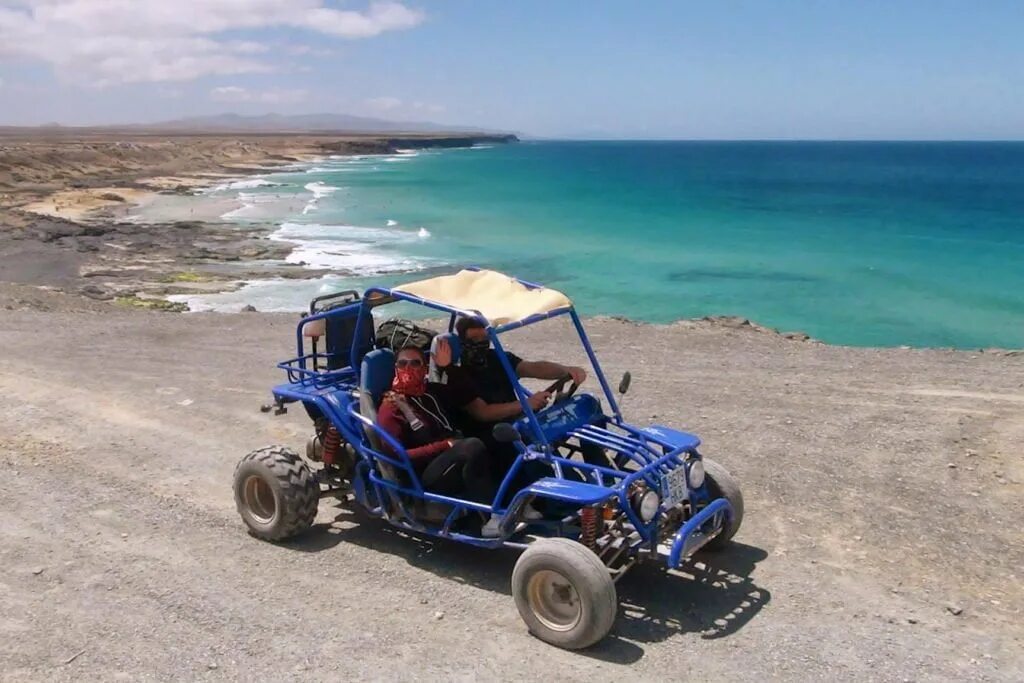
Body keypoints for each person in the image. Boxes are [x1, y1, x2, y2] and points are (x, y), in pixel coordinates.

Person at [375, 345, 535, 536]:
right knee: (471, 446)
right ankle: (490, 519)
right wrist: (444, 445)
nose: (408, 368)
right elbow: (397, 457)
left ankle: (517, 502)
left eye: (415, 363)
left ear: (425, 368)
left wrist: (448, 366)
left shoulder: (431, 392)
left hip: (450, 456)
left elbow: (465, 393)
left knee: (501, 436)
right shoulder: (391, 408)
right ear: (396, 368)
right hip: (423, 474)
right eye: (402, 363)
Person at [442, 317, 612, 468]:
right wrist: (526, 404)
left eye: (484, 339)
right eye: (474, 340)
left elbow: (532, 368)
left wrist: (565, 370)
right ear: (461, 342)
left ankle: (602, 468)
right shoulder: (458, 374)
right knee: (532, 442)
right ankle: (566, 495)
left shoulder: (496, 358)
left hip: (521, 425)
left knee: (588, 404)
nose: (480, 344)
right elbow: (482, 413)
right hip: (493, 436)